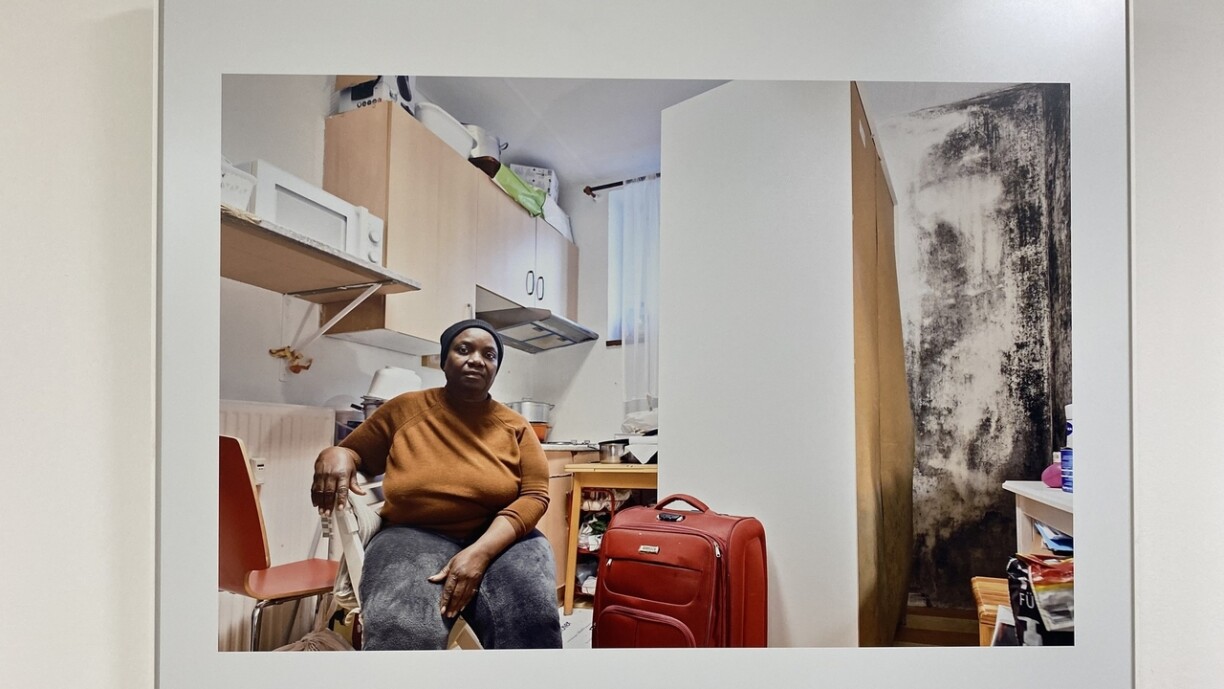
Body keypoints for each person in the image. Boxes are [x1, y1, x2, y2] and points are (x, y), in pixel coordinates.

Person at [310, 319, 562, 650]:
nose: (476, 360)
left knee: (531, 620)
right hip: (412, 535)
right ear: (444, 360)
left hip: (501, 538)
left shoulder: (516, 426)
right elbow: (354, 452)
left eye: (489, 355)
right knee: (401, 627)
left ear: (496, 368)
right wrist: (335, 454)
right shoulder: (405, 409)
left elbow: (535, 495)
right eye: (463, 350)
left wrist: (480, 552)